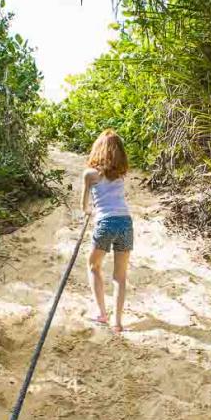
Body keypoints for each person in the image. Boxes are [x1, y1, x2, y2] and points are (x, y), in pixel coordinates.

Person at [81, 129, 133, 333]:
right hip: (126, 222)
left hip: (106, 223)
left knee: (93, 265)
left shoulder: (90, 175)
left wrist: (89, 212)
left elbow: (84, 206)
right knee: (120, 275)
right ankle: (117, 322)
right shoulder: (121, 174)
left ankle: (102, 313)